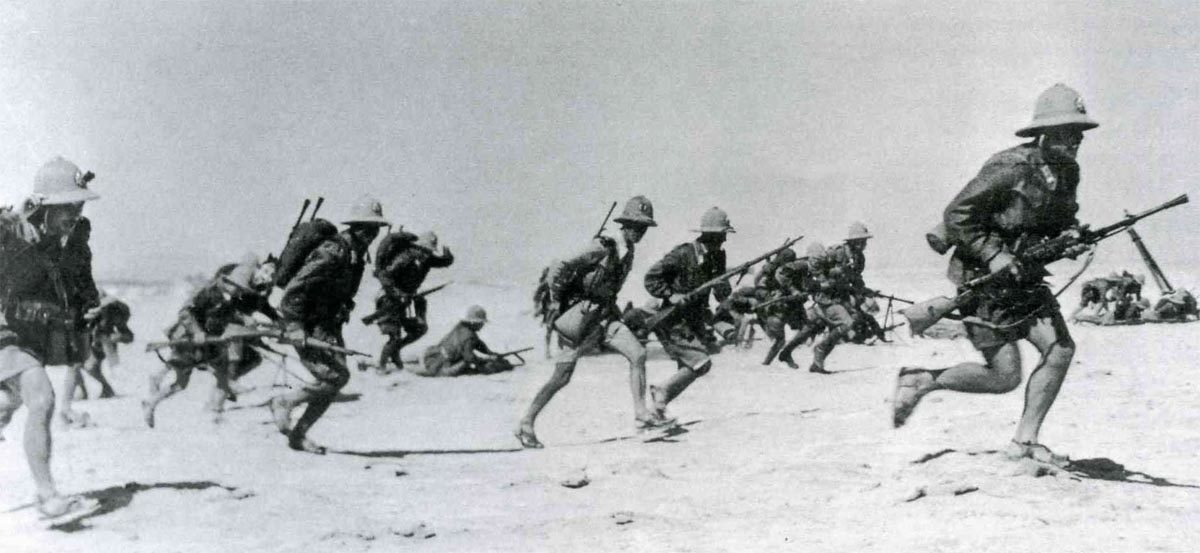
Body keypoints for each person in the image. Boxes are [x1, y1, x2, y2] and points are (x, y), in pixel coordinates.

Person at [891, 84, 1099, 467]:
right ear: (1044, 132)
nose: (1075, 141)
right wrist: (994, 254)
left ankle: (1024, 441)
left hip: (1025, 278)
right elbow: (957, 214)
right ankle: (923, 379)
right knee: (1004, 377)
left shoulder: (1068, 173)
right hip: (981, 281)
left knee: (1060, 350)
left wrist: (1068, 238)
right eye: (1066, 132)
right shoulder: (1010, 168)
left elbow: (1054, 220)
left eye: (1079, 133)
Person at [515, 196, 670, 448]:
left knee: (638, 354)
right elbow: (560, 265)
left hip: (605, 317)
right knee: (562, 376)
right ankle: (526, 422)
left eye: (643, 228)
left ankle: (641, 415)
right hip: (580, 318)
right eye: (635, 226)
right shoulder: (603, 246)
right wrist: (556, 299)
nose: (639, 232)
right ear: (625, 225)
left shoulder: (628, 251)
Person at [0, 156, 102, 519]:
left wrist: (90, 307)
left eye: (78, 205)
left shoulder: (74, 242)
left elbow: (84, 288)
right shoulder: (13, 233)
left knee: (9, 404)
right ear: (44, 205)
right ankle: (48, 497)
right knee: (42, 400)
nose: (73, 213)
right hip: (6, 334)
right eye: (65, 207)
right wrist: (9, 219)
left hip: (36, 340)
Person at [270, 195, 388, 454]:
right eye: (366, 228)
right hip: (306, 323)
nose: (371, 234)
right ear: (355, 226)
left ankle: (298, 435)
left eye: (375, 229)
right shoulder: (334, 251)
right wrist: (294, 327)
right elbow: (294, 289)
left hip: (327, 325)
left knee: (336, 380)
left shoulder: (356, 253)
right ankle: (284, 402)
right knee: (334, 377)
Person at [142, 254, 278, 427]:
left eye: (241, 289)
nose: (238, 292)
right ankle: (152, 401)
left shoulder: (229, 298)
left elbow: (228, 315)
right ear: (227, 281)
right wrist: (197, 331)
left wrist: (245, 320)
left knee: (217, 372)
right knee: (181, 382)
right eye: (236, 287)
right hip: (189, 340)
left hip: (210, 341)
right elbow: (185, 313)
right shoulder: (208, 292)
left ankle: (214, 410)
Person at [643, 207, 734, 420]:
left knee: (694, 366)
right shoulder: (683, 254)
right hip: (671, 318)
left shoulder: (718, 257)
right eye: (722, 236)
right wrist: (671, 295)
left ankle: (659, 408)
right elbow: (651, 278)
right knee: (701, 362)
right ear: (710, 235)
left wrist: (723, 285)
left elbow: (721, 294)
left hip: (693, 319)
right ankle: (661, 393)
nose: (724, 241)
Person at [370, 231, 453, 372]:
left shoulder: (426, 259)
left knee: (419, 329)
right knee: (394, 335)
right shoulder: (406, 257)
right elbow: (385, 275)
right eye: (425, 250)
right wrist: (397, 293)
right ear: (418, 247)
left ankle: (394, 353)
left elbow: (443, 262)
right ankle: (382, 366)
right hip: (388, 299)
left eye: (429, 251)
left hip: (404, 301)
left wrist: (448, 255)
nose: (427, 253)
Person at [413, 306, 512, 377]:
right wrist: (487, 359)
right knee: (467, 363)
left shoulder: (461, 327)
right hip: (441, 367)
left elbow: (477, 343)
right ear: (474, 323)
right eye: (481, 323)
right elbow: (469, 357)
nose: (482, 325)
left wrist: (489, 352)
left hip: (432, 355)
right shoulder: (469, 336)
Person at [70, 290, 133, 400]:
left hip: (102, 343)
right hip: (89, 341)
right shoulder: (83, 311)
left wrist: (118, 337)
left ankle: (106, 387)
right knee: (77, 365)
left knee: (89, 367)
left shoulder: (113, 313)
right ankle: (87, 390)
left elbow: (128, 335)